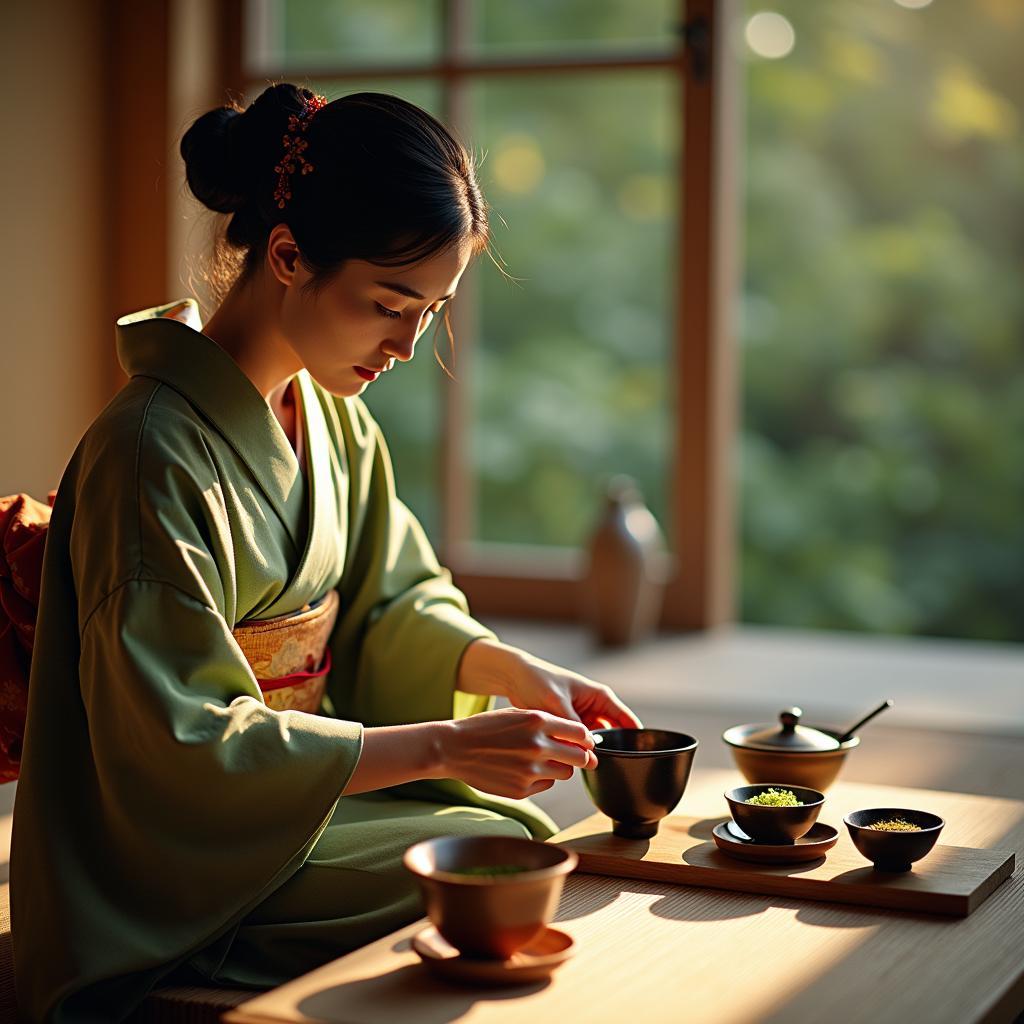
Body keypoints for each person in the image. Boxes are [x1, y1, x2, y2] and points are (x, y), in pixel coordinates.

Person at [10, 84, 642, 1022]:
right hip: (166, 861)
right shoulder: (148, 452)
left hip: (277, 812)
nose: (408, 344)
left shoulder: (337, 429)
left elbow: (393, 602)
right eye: (390, 303)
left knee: (500, 839)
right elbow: (180, 746)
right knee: (482, 855)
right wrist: (448, 740)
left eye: (431, 310)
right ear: (288, 254)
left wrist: (502, 667)